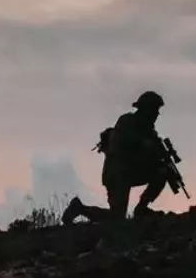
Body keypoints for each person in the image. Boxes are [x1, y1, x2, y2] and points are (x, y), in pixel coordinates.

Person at [63, 90, 170, 224]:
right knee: (117, 219)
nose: (156, 114)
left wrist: (158, 156)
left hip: (131, 171)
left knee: (162, 172)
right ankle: (80, 208)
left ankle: (142, 208)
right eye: (154, 109)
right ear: (145, 109)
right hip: (117, 174)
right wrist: (145, 144)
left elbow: (148, 156)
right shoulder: (127, 121)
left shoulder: (150, 131)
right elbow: (124, 145)